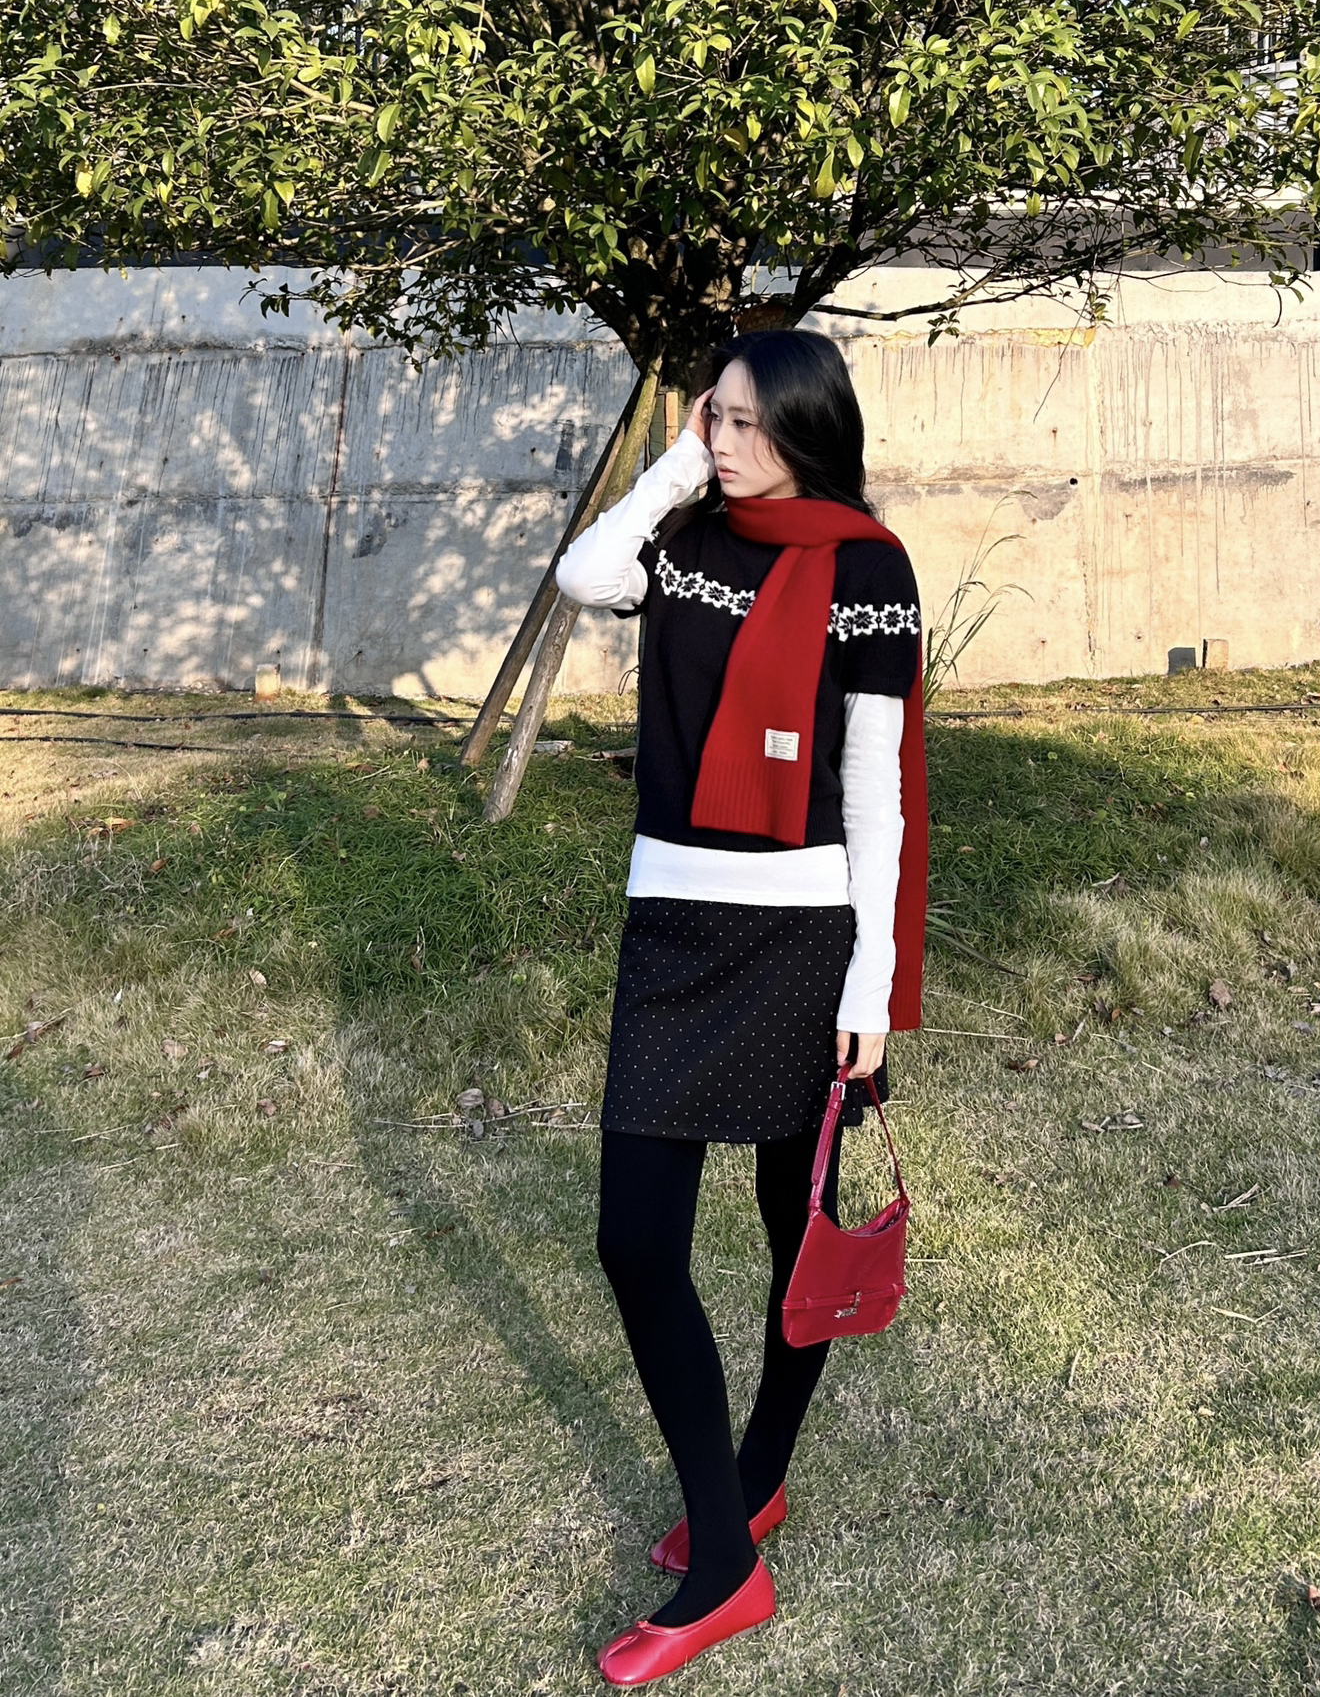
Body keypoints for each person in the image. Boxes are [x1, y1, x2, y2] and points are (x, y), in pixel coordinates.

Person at [556, 329, 928, 1688]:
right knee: (634, 1241)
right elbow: (582, 576)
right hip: (674, 921)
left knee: (793, 1238)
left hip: (802, 937)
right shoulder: (683, 534)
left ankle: (746, 1500)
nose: (723, 440)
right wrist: (671, 473)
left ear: (810, 432)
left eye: (749, 424)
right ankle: (730, 1549)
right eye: (713, 415)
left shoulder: (868, 569)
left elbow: (876, 794)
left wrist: (871, 986)